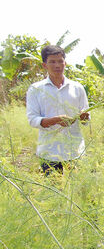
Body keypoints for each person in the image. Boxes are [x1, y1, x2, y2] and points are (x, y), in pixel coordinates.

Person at [26, 45, 90, 175]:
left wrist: (84, 118)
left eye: (60, 61)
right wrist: (55, 120)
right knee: (53, 191)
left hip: (75, 151)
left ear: (65, 63)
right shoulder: (35, 89)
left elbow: (86, 119)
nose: (57, 65)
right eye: (52, 62)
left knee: (78, 192)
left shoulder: (77, 88)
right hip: (49, 152)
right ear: (44, 65)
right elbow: (33, 120)